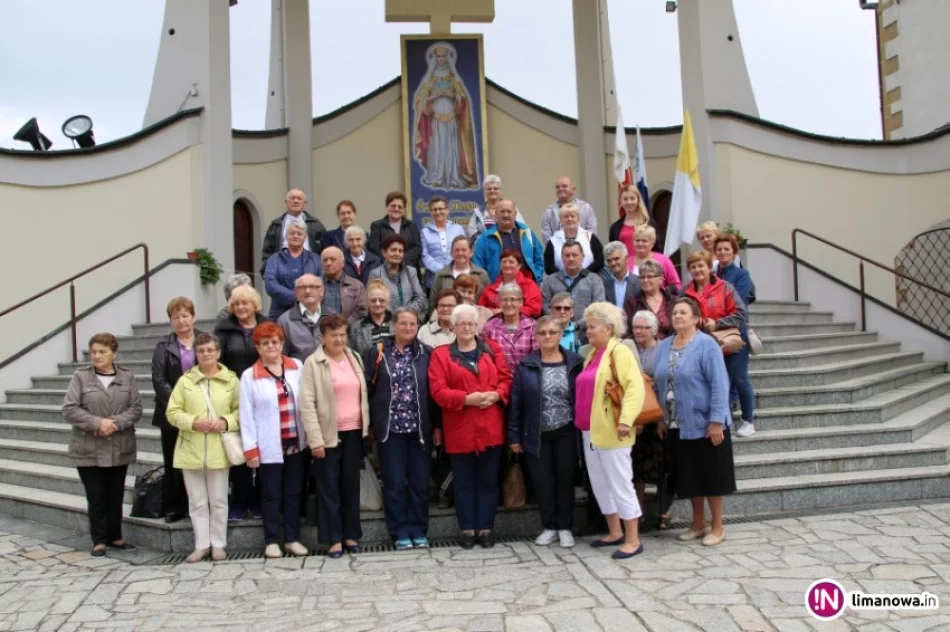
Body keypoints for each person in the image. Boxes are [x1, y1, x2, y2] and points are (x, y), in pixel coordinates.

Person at [652, 297, 735, 547]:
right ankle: (698, 523)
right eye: (675, 312)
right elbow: (658, 384)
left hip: (705, 423)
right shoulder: (664, 346)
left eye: (684, 313)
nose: (678, 316)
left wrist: (716, 421)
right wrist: (660, 418)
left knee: (711, 476)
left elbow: (719, 384)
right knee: (689, 477)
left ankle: (717, 527)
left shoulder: (706, 345)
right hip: (676, 424)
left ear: (696, 318)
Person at [428, 305, 513, 549]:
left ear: (477, 326)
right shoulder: (441, 354)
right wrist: (466, 399)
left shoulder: (491, 348)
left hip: (490, 426)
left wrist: (497, 395)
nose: (467, 327)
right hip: (460, 428)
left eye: (471, 323)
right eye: (462, 323)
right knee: (463, 482)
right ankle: (467, 529)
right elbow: (438, 390)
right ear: (453, 327)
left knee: (488, 481)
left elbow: (506, 378)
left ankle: (485, 529)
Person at [364, 308, 440, 549]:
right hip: (390, 430)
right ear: (394, 325)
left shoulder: (427, 353)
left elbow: (434, 393)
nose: (408, 328)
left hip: (420, 430)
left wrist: (437, 426)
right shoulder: (378, 352)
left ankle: (418, 529)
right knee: (394, 483)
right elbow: (368, 390)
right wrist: (371, 424)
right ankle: (399, 531)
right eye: (403, 323)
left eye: (413, 324)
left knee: (419, 483)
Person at [62, 333, 142, 557]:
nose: (97, 356)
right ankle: (99, 540)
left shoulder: (127, 377)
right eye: (94, 352)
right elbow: (69, 408)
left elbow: (136, 408)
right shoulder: (80, 377)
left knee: (115, 494)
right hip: (88, 447)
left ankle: (115, 536)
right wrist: (97, 423)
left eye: (102, 352)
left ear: (114, 354)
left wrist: (114, 423)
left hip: (119, 446)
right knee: (96, 495)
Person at [577, 302, 646, 560]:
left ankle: (633, 539)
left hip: (613, 430)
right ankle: (615, 531)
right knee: (600, 483)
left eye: (592, 326)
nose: (588, 331)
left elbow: (634, 387)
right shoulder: (592, 355)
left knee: (620, 483)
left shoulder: (620, 352)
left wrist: (626, 421)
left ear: (608, 328)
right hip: (590, 431)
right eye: (587, 326)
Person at [508, 316, 583, 548]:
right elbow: (516, 402)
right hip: (536, 432)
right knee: (543, 481)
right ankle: (549, 525)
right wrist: (513, 436)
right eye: (542, 333)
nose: (547, 336)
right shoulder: (526, 365)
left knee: (565, 479)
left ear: (561, 335)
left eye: (552, 332)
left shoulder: (575, 362)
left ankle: (565, 527)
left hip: (567, 431)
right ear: (536, 336)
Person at [299, 314, 370, 558]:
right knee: (328, 487)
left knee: (350, 485)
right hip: (327, 434)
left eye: (342, 334)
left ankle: (350, 535)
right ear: (323, 337)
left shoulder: (354, 357)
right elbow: (307, 403)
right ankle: (333, 539)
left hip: (354, 431)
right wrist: (315, 439)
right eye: (333, 335)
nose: (339, 339)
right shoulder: (313, 363)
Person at [166, 332, 240, 563]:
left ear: (218, 353)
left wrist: (225, 421)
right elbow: (172, 412)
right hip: (191, 448)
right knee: (197, 502)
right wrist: (193, 422)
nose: (206, 354)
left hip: (219, 449)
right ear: (196, 355)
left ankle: (218, 544)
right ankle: (201, 545)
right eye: (201, 351)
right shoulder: (185, 381)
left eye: (210, 350)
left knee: (218, 500)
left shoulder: (231, 381)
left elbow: (241, 411)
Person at [239, 323, 309, 559]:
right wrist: (250, 449)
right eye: (265, 343)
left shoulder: (297, 367)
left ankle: (291, 539)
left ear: (282, 344)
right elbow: (246, 415)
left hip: (296, 443)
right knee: (271, 495)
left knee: (293, 492)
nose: (271, 346)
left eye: (275, 342)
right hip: (269, 445)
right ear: (258, 347)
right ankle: (271, 540)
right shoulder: (249, 376)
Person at [683, 250, 754, 439]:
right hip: (700, 346)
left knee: (737, 380)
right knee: (711, 385)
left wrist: (717, 323)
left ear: (709, 267)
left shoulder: (725, 287)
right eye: (693, 267)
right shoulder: (686, 292)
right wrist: (698, 322)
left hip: (727, 343)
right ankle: (722, 425)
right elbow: (681, 314)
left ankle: (748, 420)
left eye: (701, 265)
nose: (697, 270)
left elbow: (741, 314)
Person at [214, 285, 268, 522]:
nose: (241, 307)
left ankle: (258, 501)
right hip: (234, 397)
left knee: (263, 450)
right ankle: (239, 501)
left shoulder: (267, 326)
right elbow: (218, 363)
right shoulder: (223, 329)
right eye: (236, 303)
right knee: (240, 451)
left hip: (264, 395)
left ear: (255, 304)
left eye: (245, 302)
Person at [150, 296, 203, 524]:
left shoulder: (206, 340)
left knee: (200, 461)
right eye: (176, 317)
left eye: (185, 315)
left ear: (193, 317)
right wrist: (180, 405)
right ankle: (174, 506)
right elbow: (159, 380)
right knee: (174, 461)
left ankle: (198, 504)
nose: (181, 321)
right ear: (170, 320)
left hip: (202, 412)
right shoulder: (163, 346)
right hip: (171, 413)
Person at [412, 42, 479, 190]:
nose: (441, 59)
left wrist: (451, 95)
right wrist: (432, 97)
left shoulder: (453, 78)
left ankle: (452, 177)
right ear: (435, 58)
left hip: (451, 119)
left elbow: (463, 98)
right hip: (435, 119)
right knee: (436, 147)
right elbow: (420, 98)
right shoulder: (430, 79)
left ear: (447, 58)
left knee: (450, 148)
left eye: (443, 56)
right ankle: (436, 176)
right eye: (438, 56)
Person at [630, 310, 674, 530]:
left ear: (654, 330)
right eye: (635, 327)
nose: (638, 331)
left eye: (643, 327)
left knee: (662, 465)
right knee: (636, 467)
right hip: (635, 416)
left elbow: (666, 381)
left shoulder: (663, 348)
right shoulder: (628, 349)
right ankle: (638, 512)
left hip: (658, 414)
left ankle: (664, 511)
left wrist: (661, 419)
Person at [714, 234, 757, 437]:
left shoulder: (741, 274)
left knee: (739, 377)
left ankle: (748, 420)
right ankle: (724, 419)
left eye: (727, 249)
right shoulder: (713, 274)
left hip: (735, 333)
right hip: (714, 335)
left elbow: (738, 304)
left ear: (734, 252)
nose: (723, 252)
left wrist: (716, 318)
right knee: (720, 379)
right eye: (719, 249)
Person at [263, 217, 323, 319]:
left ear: (305, 238)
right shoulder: (274, 259)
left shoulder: (315, 259)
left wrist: (306, 299)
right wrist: (296, 298)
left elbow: (322, 283)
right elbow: (270, 284)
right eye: (292, 233)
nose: (295, 236)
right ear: (286, 236)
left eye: (299, 234)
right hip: (279, 312)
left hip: (309, 312)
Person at [473, 199, 544, 283]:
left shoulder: (527, 232)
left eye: (509, 211)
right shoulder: (485, 238)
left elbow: (539, 257)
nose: (505, 215)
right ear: (496, 214)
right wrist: (488, 286)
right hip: (497, 287)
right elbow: (478, 266)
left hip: (527, 285)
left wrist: (536, 278)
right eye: (502, 211)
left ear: (515, 214)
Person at [260, 188, 326, 276]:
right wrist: (267, 271)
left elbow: (324, 250)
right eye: (292, 198)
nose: (295, 201)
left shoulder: (316, 224)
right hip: (282, 271)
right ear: (286, 202)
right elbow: (267, 251)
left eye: (299, 198)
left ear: (305, 203)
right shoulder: (276, 225)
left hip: (310, 271)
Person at [541, 241, 606, 320]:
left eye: (574, 255)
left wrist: (578, 325)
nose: (571, 258)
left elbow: (598, 307)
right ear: (562, 258)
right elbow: (545, 306)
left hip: (587, 327)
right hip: (558, 327)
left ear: (582, 256)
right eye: (567, 255)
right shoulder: (549, 281)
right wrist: (560, 323)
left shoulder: (595, 280)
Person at [481, 283, 539, 370]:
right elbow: (485, 357)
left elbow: (536, 358)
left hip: (526, 375)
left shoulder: (533, 326)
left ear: (521, 302)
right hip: (499, 375)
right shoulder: (490, 326)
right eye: (504, 299)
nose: (508, 304)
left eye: (512, 299)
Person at [366, 234, 428, 315]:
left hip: (409, 317)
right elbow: (374, 300)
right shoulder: (376, 274)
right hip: (387, 320)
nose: (397, 254)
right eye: (393, 250)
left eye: (400, 251)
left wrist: (407, 313)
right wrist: (395, 317)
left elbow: (421, 298)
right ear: (384, 252)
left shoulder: (410, 271)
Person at [428, 235, 491, 310]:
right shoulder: (441, 276)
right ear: (451, 253)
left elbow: (488, 301)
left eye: (464, 250)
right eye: (457, 250)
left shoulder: (481, 275)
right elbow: (432, 304)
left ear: (471, 252)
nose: (460, 253)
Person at [478, 250, 542, 318]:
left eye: (511, 262)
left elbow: (535, 310)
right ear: (500, 265)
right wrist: (491, 311)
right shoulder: (490, 289)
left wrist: (504, 311)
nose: (507, 265)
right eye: (504, 262)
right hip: (494, 322)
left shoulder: (529, 285)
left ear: (519, 266)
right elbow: (480, 309)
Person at [544, 203, 605, 275]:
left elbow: (599, 260)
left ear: (578, 219)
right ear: (561, 220)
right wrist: (563, 277)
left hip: (588, 278)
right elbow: (548, 265)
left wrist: (585, 274)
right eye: (566, 216)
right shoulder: (553, 240)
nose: (569, 219)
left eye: (572, 216)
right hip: (561, 280)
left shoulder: (590, 237)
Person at [368, 191, 423, 270]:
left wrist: (400, 262)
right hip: (384, 270)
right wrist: (391, 262)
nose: (396, 209)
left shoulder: (412, 226)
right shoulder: (377, 226)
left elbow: (417, 248)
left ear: (404, 209)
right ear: (387, 207)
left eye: (400, 206)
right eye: (393, 206)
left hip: (409, 270)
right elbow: (374, 248)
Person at [623, 259, 676, 340]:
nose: (645, 280)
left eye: (649, 277)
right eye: (642, 277)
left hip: (670, 345)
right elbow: (626, 332)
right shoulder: (632, 302)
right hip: (641, 346)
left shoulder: (671, 300)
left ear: (660, 279)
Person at [465, 174, 526, 242]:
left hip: (509, 246)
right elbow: (472, 232)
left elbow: (522, 227)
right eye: (489, 189)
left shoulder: (511, 208)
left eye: (495, 188)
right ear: (484, 192)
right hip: (485, 246)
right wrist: (486, 242)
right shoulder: (478, 212)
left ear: (500, 191)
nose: (492, 191)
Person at [277, 274, 324, 362]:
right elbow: (281, 355)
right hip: (299, 369)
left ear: (321, 291)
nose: (307, 291)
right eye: (302, 287)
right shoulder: (285, 321)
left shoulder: (333, 317)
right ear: (296, 293)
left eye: (312, 286)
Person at [421, 196, 466, 286]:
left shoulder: (458, 229)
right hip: (434, 280)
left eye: (441, 209)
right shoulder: (425, 232)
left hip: (457, 278)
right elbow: (424, 255)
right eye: (434, 209)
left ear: (447, 210)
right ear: (431, 212)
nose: (438, 212)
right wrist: (442, 271)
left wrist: (452, 269)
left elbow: (464, 250)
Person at [541, 176, 598, 245]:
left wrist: (577, 249)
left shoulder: (586, 208)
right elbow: (547, 239)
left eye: (564, 186)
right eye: (557, 187)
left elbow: (591, 233)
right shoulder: (548, 212)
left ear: (573, 189)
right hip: (557, 250)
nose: (560, 189)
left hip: (583, 249)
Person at [321, 246, 367, 325]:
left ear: (342, 263)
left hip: (348, 329)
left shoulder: (357, 286)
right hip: (320, 330)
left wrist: (345, 325)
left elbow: (362, 311)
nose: (328, 263)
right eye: (325, 260)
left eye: (333, 259)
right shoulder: (313, 285)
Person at [608, 185, 653, 264]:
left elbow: (657, 249)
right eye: (625, 199)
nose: (629, 202)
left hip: (646, 267)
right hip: (625, 268)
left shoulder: (648, 222)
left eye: (632, 198)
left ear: (637, 200)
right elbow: (612, 252)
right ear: (621, 202)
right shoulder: (615, 227)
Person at [348, 279, 394, 356]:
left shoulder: (397, 324)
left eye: (381, 300)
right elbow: (353, 356)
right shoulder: (357, 328)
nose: (377, 304)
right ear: (367, 302)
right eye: (373, 300)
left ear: (387, 301)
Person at [630, 225, 681, 292]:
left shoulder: (664, 260)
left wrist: (664, 294)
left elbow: (677, 285)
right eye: (637, 240)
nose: (640, 244)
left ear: (652, 243)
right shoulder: (627, 261)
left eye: (644, 241)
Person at [602, 242, 641, 312]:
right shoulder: (603, 284)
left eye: (616, 259)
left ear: (626, 258)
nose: (613, 263)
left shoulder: (639, 282)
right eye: (609, 261)